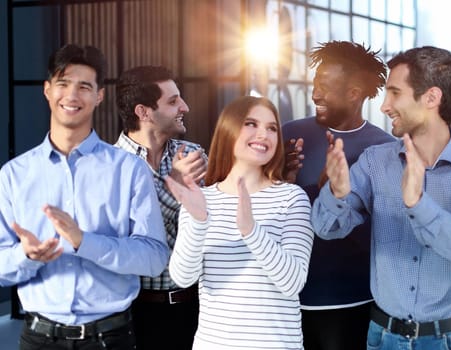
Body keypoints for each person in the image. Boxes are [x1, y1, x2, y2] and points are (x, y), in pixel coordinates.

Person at [311, 45, 451, 350]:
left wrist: (418, 204)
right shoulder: (375, 161)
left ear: (431, 98)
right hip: (382, 337)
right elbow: (325, 227)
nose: (384, 106)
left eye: (395, 93)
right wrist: (336, 193)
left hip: (450, 341)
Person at [0, 44, 168, 350]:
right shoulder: (14, 175)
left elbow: (155, 258)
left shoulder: (129, 170)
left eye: (84, 86)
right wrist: (25, 256)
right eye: (63, 84)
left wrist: (84, 242)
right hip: (38, 338)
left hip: (110, 338)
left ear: (99, 96)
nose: (72, 95)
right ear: (47, 90)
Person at [165, 96, 314, 349]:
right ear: (228, 130)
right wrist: (199, 220)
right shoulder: (201, 199)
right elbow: (183, 277)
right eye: (251, 124)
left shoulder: (291, 198)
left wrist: (251, 231)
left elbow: (292, 283)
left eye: (272, 128)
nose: (263, 134)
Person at [281, 40, 395, 350]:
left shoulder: (383, 149)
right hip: (283, 302)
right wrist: (280, 180)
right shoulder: (287, 135)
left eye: (327, 87)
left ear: (354, 94)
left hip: (350, 301)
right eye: (316, 85)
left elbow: (384, 230)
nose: (316, 94)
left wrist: (331, 194)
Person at [114, 65, 207, 349]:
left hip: (198, 307)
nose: (185, 107)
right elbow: (128, 238)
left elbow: (209, 224)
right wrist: (176, 188)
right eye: (173, 101)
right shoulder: (110, 166)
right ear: (143, 112)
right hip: (136, 314)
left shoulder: (193, 155)